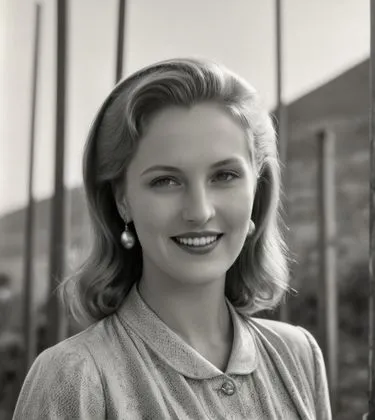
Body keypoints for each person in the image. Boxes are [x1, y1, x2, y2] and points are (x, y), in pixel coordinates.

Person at [13, 58, 332, 419]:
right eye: (165, 181)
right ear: (122, 199)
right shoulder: (76, 376)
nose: (199, 211)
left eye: (224, 175)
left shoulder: (298, 356)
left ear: (257, 190)